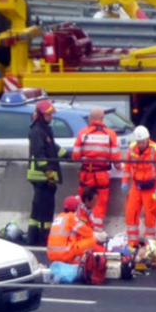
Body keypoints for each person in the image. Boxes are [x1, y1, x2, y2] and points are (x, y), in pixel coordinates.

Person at [26, 99, 67, 246]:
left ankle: (33, 238)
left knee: (38, 211)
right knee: (44, 211)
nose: (51, 117)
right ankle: (43, 239)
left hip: (44, 178)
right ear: (41, 115)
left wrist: (67, 154)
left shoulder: (44, 130)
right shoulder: (37, 131)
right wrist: (49, 173)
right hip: (41, 177)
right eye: (49, 115)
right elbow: (39, 156)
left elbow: (52, 147)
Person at [72, 108, 121, 231]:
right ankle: (97, 229)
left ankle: (82, 227)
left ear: (91, 119)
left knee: (83, 201)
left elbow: (75, 156)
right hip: (102, 175)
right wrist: (119, 167)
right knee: (99, 202)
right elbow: (116, 160)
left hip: (86, 174)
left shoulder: (83, 133)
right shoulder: (110, 134)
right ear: (102, 118)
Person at [122, 126, 156, 248]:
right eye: (139, 142)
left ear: (147, 139)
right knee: (130, 213)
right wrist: (124, 181)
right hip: (136, 186)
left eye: (142, 142)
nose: (141, 144)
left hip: (151, 187)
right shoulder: (132, 148)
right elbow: (127, 166)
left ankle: (150, 245)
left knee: (150, 216)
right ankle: (132, 243)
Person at [46, 189, 107, 265]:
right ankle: (77, 262)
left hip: (51, 255)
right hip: (64, 255)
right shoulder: (72, 217)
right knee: (92, 240)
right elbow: (87, 233)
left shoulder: (59, 216)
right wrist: (98, 236)